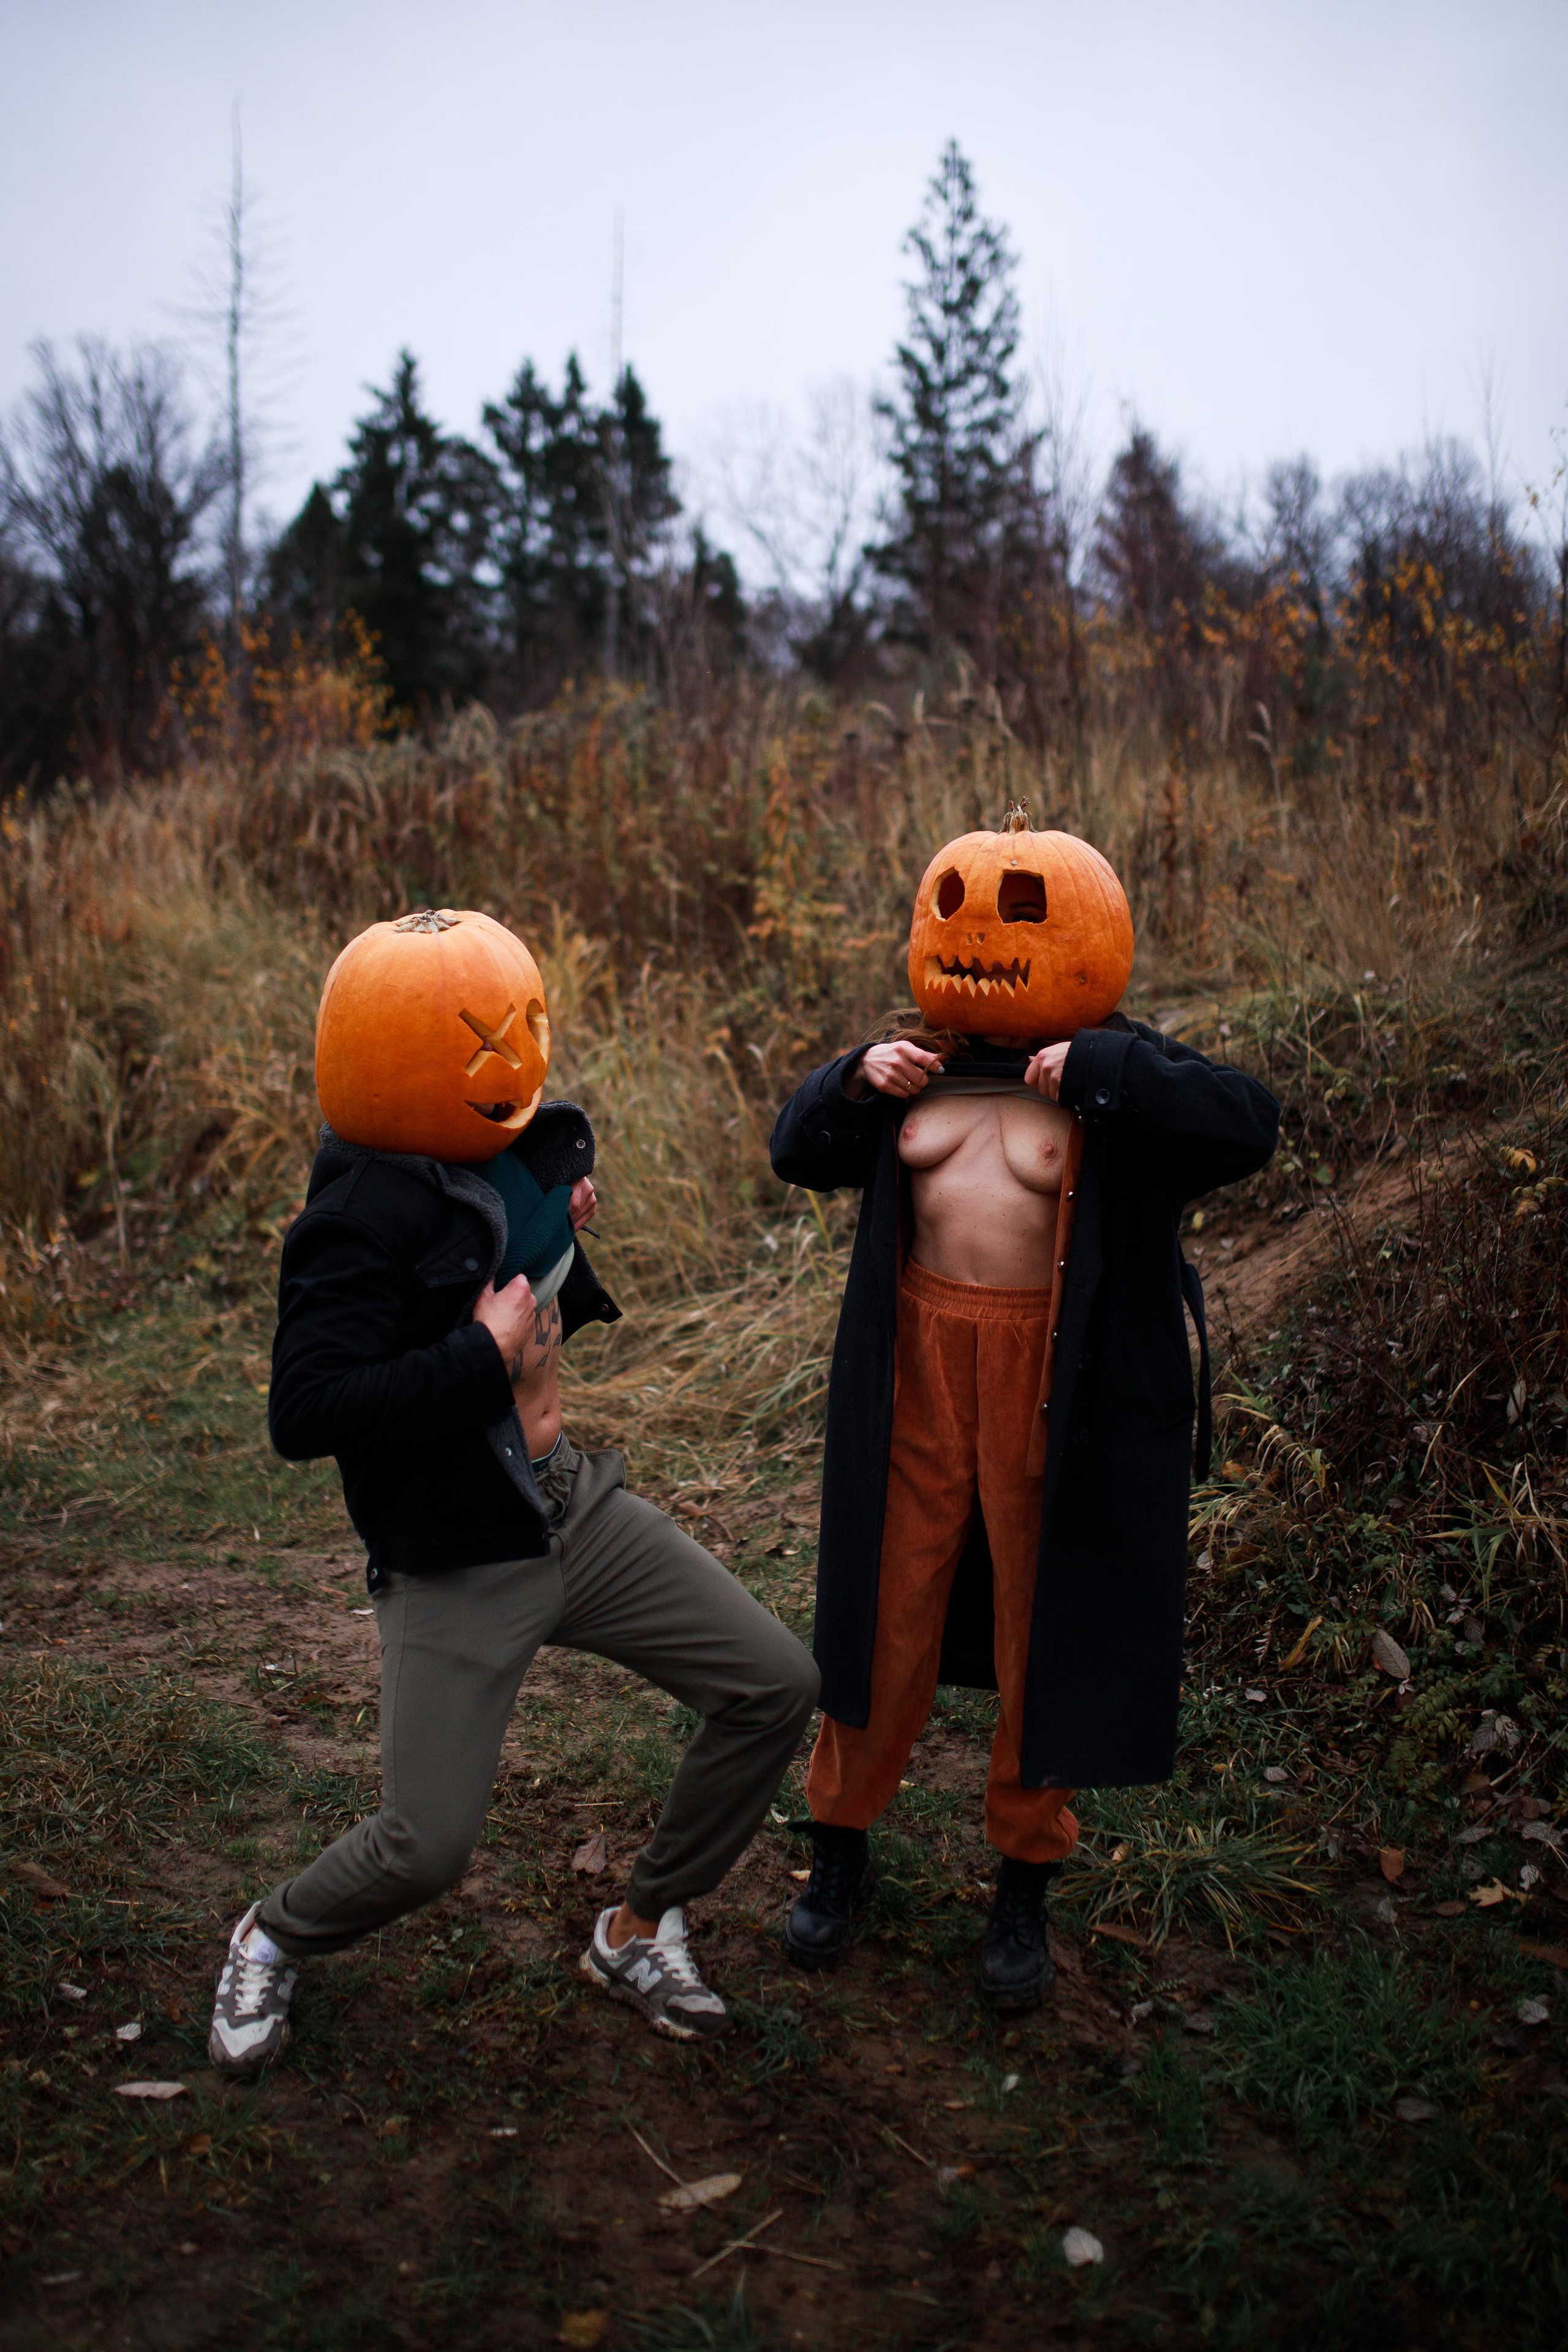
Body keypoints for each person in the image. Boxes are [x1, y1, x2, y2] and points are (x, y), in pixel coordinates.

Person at [208, 941, 818, 2075]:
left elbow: (524, 1305)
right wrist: (476, 1357)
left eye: (518, 1028)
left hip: (569, 1507)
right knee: (425, 1850)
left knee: (774, 1685)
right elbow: (307, 1410)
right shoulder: (356, 1217)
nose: (512, 1059)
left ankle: (641, 1929)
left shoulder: (499, 1154)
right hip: (454, 1557)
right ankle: (271, 1933)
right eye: (479, 1042)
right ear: (385, 1057)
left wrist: (562, 1240)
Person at [769, 830, 1278, 2009]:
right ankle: (840, 1846)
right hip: (917, 1374)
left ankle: (1022, 1881)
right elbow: (797, 1151)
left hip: (1053, 1383)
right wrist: (854, 1078)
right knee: (885, 1608)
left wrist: (1100, 1070)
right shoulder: (920, 1065)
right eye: (956, 905)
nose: (982, 932)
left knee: (1041, 1626)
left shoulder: (1115, 1068)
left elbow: (1248, 1122)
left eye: (1019, 909)